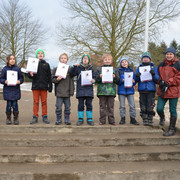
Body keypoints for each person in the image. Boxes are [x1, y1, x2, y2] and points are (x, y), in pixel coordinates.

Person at [157, 47, 180, 136]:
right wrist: (160, 81)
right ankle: (162, 118)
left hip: (173, 91)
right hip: (163, 90)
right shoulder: (161, 65)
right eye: (167, 54)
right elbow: (158, 76)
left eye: (171, 54)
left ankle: (171, 128)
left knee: (172, 110)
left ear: (174, 55)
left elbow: (178, 77)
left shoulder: (178, 64)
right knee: (159, 108)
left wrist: (169, 82)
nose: (169, 55)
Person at [70, 53, 96, 126]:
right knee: (80, 105)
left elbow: (95, 77)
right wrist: (74, 67)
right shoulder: (78, 68)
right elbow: (71, 74)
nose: (85, 59)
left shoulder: (91, 68)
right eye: (84, 58)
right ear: (82, 60)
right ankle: (80, 119)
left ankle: (89, 119)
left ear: (88, 60)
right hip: (80, 90)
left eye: (86, 58)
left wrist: (93, 80)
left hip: (89, 90)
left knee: (89, 105)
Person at [28, 49, 52, 124]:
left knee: (44, 102)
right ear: (36, 55)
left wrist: (50, 86)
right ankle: (35, 116)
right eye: (38, 53)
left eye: (42, 53)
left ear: (43, 55)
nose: (40, 54)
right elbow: (29, 75)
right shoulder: (33, 63)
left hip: (44, 86)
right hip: (35, 86)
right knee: (36, 102)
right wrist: (30, 74)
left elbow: (49, 76)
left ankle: (44, 116)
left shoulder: (47, 65)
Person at [135, 52, 159, 126]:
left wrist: (153, 74)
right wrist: (137, 76)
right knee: (143, 105)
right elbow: (136, 80)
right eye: (144, 58)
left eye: (147, 58)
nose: (145, 59)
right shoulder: (139, 68)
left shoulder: (154, 68)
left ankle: (150, 118)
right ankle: (144, 119)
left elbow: (157, 80)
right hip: (142, 89)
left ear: (150, 59)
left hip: (151, 89)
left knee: (150, 105)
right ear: (142, 59)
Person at [96, 53, 120, 125]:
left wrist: (114, 77)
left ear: (111, 61)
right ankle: (102, 120)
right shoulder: (99, 69)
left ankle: (111, 120)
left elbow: (118, 81)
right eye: (105, 59)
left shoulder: (114, 69)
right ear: (103, 61)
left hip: (111, 91)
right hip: (102, 91)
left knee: (111, 107)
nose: (107, 61)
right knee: (102, 107)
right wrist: (99, 77)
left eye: (109, 59)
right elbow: (95, 80)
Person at [0, 54, 24, 125]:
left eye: (13, 59)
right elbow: (1, 79)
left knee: (15, 104)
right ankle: (8, 118)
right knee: (8, 104)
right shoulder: (4, 69)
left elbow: (21, 78)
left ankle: (16, 118)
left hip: (15, 90)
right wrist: (4, 81)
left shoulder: (17, 69)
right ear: (7, 60)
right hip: (7, 90)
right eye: (11, 59)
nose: (12, 60)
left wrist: (19, 81)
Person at [52, 53, 74, 125]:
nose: (63, 59)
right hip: (59, 92)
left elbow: (72, 80)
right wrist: (57, 79)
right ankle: (58, 119)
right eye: (62, 58)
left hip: (67, 92)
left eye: (65, 58)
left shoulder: (70, 69)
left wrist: (72, 91)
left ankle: (67, 119)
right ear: (59, 60)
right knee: (58, 107)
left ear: (67, 60)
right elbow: (52, 79)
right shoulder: (56, 69)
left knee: (67, 107)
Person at [117, 57, 139, 125]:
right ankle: (122, 118)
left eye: (125, 62)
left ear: (128, 63)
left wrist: (133, 81)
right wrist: (121, 80)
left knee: (132, 105)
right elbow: (117, 81)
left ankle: (133, 119)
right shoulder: (119, 71)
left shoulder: (132, 71)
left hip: (130, 90)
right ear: (121, 63)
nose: (124, 63)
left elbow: (134, 82)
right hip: (121, 91)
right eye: (122, 62)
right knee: (122, 106)